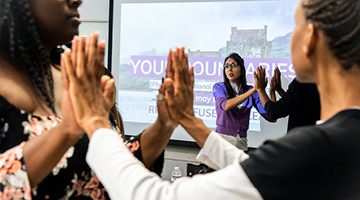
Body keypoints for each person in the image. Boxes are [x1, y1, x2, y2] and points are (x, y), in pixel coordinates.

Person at [64, 0, 360, 199]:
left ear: (310, 39)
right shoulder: (345, 138)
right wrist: (191, 122)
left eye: (295, 26)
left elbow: (152, 195)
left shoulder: (318, 147)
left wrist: (94, 121)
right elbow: (259, 170)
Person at [0, 0, 176, 199]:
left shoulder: (74, 71)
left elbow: (114, 170)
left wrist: (163, 125)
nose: (78, 0)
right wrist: (66, 130)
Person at [213, 53, 273, 151]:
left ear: (242, 70)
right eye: (227, 66)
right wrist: (254, 90)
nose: (229, 69)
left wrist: (271, 92)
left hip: (241, 143)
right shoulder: (219, 87)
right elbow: (226, 106)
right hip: (221, 141)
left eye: (234, 65)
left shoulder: (250, 91)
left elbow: (270, 117)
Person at [255, 66, 320, 132]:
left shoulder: (303, 81)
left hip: (301, 138)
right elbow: (296, 103)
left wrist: (260, 89)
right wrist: (279, 89)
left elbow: (273, 112)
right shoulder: (322, 79)